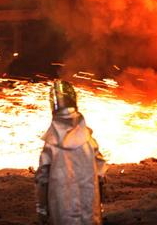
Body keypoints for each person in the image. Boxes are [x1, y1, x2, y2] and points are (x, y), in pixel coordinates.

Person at [35, 80, 107, 225]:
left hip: (61, 213)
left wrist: (42, 208)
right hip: (89, 212)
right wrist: (101, 202)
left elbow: (42, 180)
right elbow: (101, 175)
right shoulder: (88, 140)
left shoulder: (51, 144)